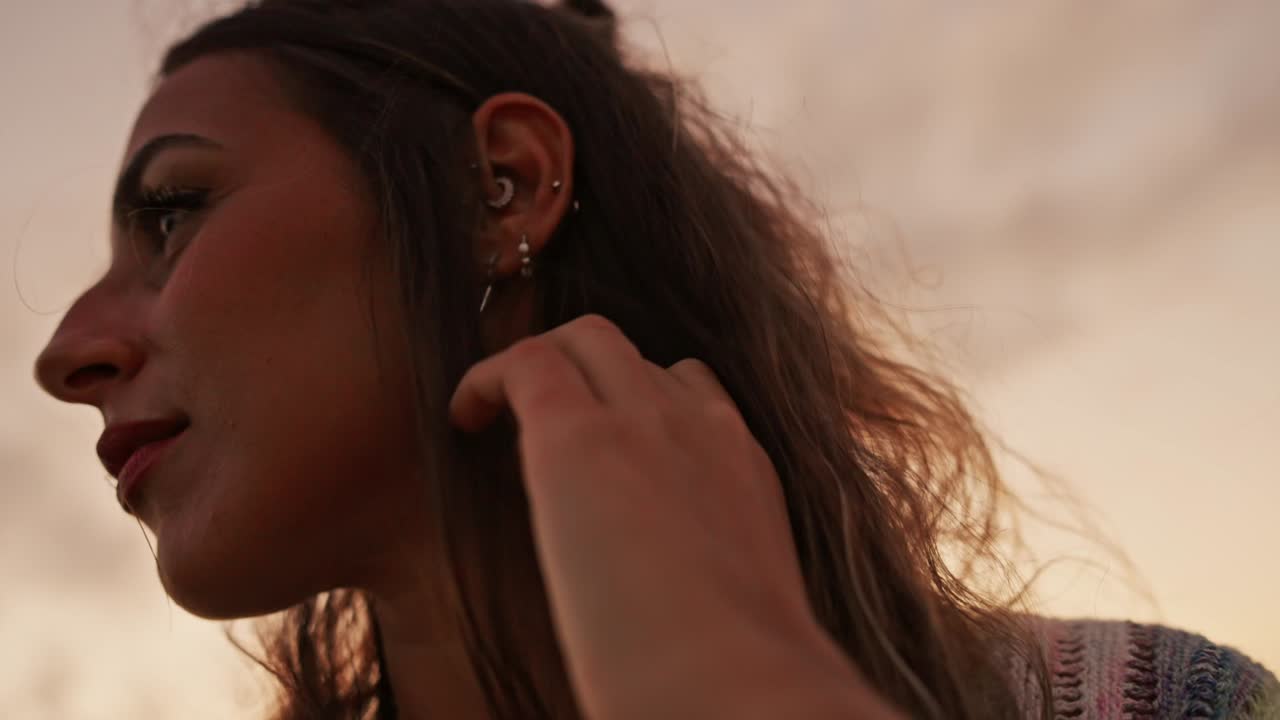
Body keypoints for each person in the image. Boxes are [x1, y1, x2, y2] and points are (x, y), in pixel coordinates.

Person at [31, 1, 1278, 718]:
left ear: (498, 188)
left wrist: (713, 670)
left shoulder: (1151, 703)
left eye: (173, 212)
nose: (66, 352)